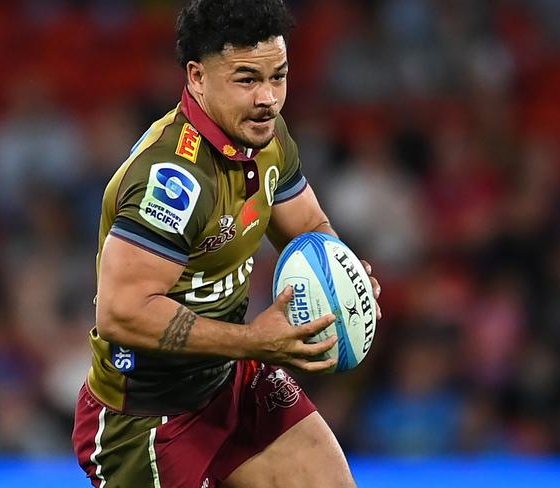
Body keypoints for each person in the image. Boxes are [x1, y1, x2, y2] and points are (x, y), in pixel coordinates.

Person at [72, 1, 382, 487]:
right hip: (148, 419)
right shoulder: (172, 181)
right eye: (246, 80)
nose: (268, 98)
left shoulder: (268, 137)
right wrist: (254, 341)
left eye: (278, 77)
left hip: (229, 383)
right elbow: (122, 311)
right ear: (197, 77)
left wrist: (343, 276)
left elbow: (308, 226)